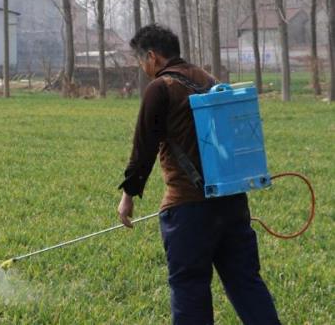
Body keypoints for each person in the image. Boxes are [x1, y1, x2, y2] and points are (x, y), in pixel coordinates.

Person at [117, 24, 281, 325]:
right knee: (246, 283)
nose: (143, 69)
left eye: (142, 61)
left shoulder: (160, 87)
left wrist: (127, 197)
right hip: (232, 202)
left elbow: (143, 150)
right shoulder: (209, 79)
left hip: (187, 210)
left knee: (190, 289)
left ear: (152, 56)